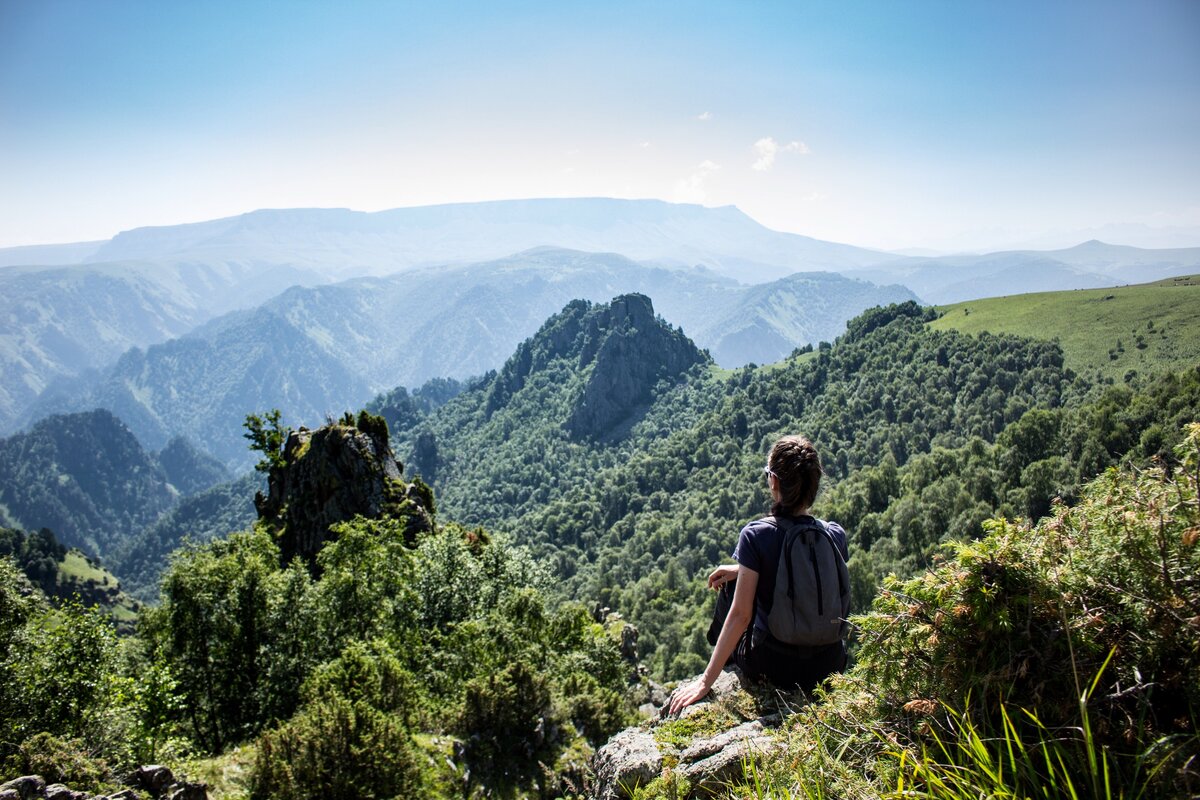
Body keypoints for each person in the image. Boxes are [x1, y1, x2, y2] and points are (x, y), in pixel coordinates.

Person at [669, 435, 849, 715]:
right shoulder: (834, 534)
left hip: (776, 666)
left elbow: (741, 615)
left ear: (774, 482)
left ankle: (724, 658)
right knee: (736, 576)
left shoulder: (756, 534)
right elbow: (807, 582)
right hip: (829, 665)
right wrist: (741, 569)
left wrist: (705, 682)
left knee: (732, 590)